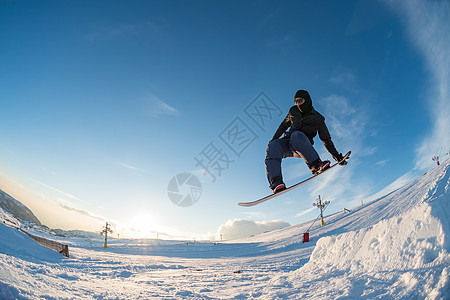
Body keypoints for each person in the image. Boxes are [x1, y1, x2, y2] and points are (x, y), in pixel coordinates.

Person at [265, 89, 347, 194]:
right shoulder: (293, 111)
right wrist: (273, 139)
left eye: (300, 101)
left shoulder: (318, 118)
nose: (298, 104)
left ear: (307, 100)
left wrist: (337, 157)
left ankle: (316, 165)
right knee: (273, 146)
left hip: (302, 146)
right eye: (296, 102)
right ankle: (276, 182)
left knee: (297, 135)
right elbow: (283, 125)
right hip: (288, 143)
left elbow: (326, 139)